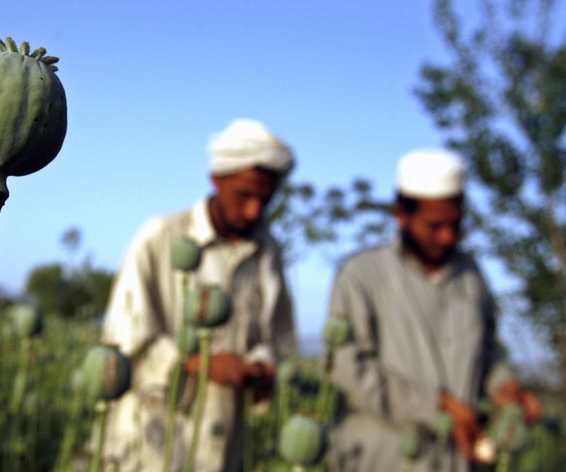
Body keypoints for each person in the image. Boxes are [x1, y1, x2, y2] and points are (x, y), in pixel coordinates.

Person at [98, 119, 297, 471]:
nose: (254, 210)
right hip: (151, 436)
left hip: (222, 439)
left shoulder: (268, 251)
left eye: (265, 200)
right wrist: (198, 362)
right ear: (217, 179)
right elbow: (123, 335)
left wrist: (263, 366)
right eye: (244, 195)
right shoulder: (161, 236)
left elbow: (275, 335)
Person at [325, 149, 542, 471]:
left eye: (456, 225)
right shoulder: (361, 275)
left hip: (457, 460)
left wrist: (505, 387)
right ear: (401, 215)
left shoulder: (471, 276)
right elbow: (348, 370)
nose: (447, 237)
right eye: (434, 225)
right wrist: (438, 408)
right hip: (382, 459)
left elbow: (487, 352)